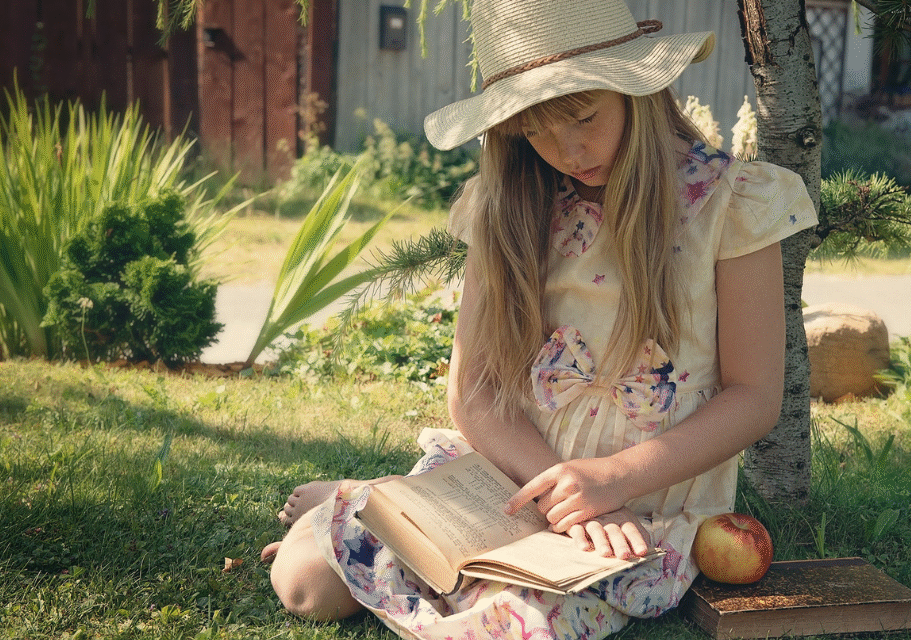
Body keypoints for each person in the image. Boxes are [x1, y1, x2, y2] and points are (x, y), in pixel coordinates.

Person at [261, 0, 817, 637]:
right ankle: (369, 501)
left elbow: (753, 397)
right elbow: (473, 394)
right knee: (307, 584)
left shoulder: (733, 204)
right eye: (535, 130)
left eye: (584, 117)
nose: (568, 149)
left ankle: (370, 495)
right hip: (513, 482)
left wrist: (609, 482)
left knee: (514, 626)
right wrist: (565, 497)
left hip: (639, 509)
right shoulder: (508, 207)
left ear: (636, 90)